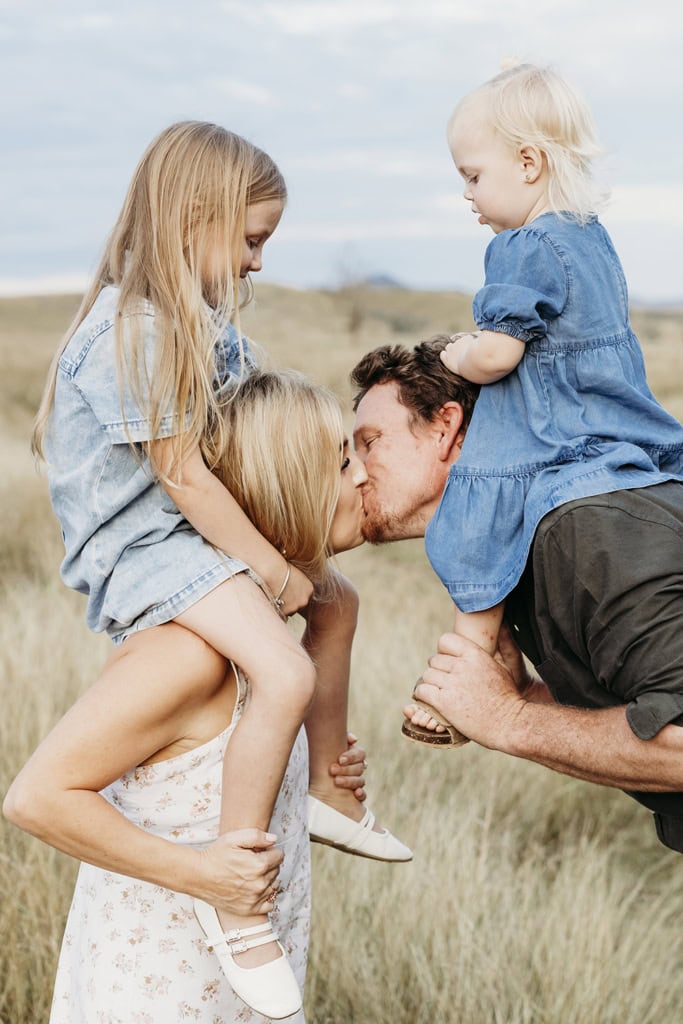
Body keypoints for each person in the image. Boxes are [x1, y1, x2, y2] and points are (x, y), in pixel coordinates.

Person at [29, 122, 409, 1018]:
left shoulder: (203, 332)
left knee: (339, 600)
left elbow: (251, 443)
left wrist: (305, 575)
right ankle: (235, 896)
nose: (256, 263)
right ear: (191, 218)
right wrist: (275, 573)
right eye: (250, 240)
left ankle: (324, 788)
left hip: (189, 544)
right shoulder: (135, 330)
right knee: (280, 666)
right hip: (148, 552)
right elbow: (187, 475)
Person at [4, 369, 381, 1024]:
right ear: (287, 488)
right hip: (155, 992)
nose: (362, 477)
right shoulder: (191, 653)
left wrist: (314, 785)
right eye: (341, 461)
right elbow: (36, 798)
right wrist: (204, 876)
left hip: (236, 982)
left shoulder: (269, 643)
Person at [399, 63, 683, 744]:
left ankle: (473, 668)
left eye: (471, 174)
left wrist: (455, 352)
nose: (465, 192)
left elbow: (499, 354)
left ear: (527, 162)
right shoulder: (591, 236)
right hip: (611, 421)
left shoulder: (520, 246)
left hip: (548, 428)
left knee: (474, 513)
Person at [351, 338, 683, 854]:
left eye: (369, 441)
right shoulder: (515, 548)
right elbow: (648, 707)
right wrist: (526, 695)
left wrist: (508, 719)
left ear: (446, 426)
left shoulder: (582, 533)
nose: (355, 470)